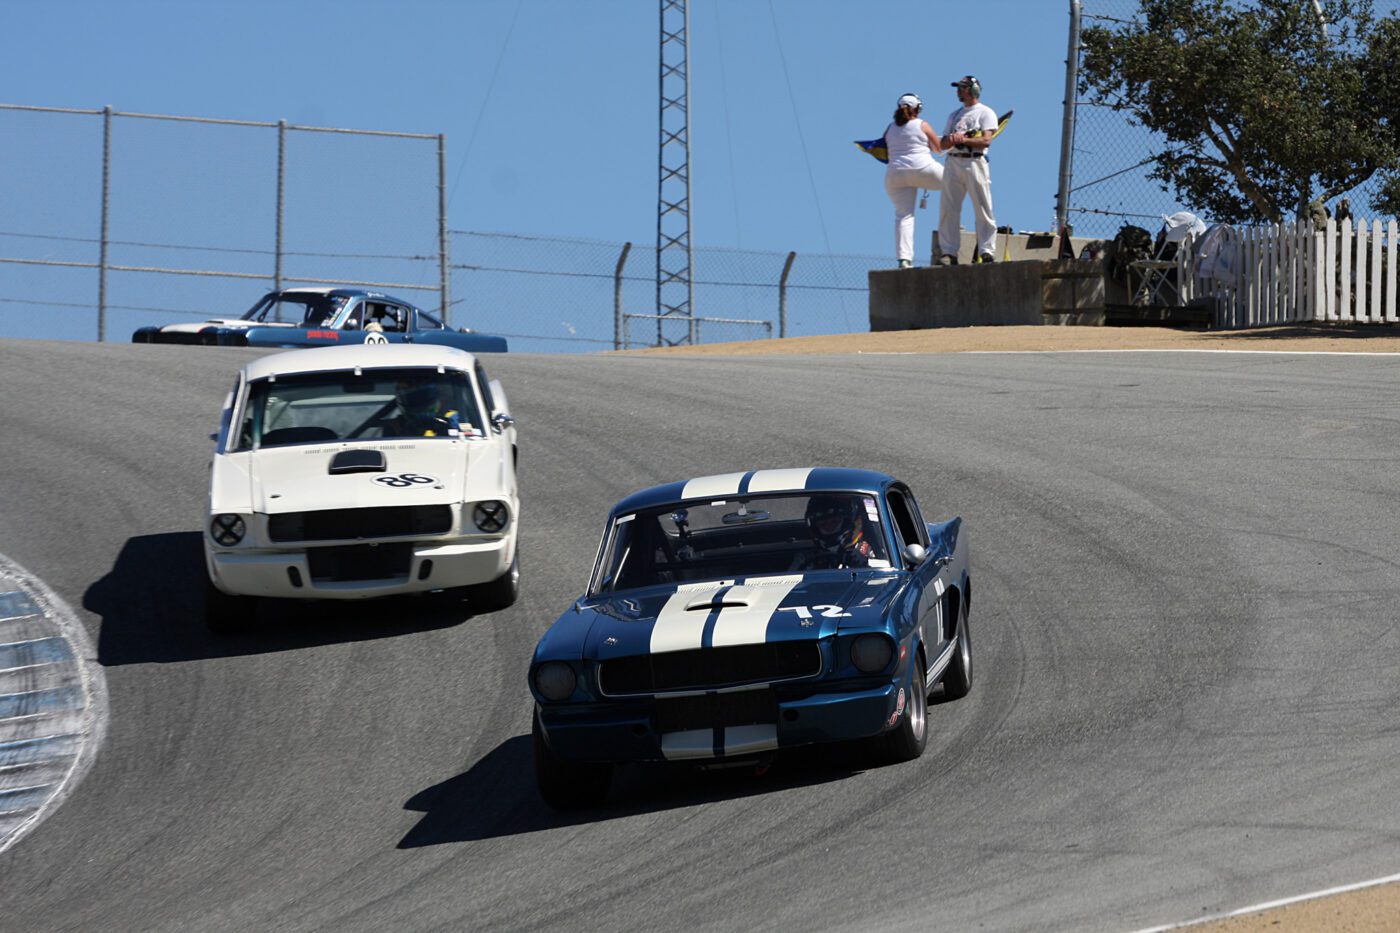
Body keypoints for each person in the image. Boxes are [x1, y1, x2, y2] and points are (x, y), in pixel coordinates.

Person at [938, 75, 999, 265]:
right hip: (953, 161)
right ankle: (949, 252)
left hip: (974, 161)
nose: (959, 91)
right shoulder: (954, 115)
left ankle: (987, 250)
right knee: (949, 208)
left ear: (973, 91)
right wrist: (953, 140)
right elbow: (942, 143)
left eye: (963, 88)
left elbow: (986, 140)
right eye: (959, 88)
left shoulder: (985, 112)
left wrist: (964, 139)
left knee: (982, 207)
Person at [881, 93, 944, 269]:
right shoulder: (922, 124)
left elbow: (885, 150)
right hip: (922, 169)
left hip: (894, 175)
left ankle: (904, 259)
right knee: (956, 181)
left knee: (904, 216)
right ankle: (949, 245)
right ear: (918, 108)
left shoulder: (890, 128)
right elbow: (938, 149)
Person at [796, 496, 878, 570]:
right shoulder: (804, 559)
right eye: (823, 524)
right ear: (814, 527)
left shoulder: (868, 551)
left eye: (834, 522)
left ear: (847, 522)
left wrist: (865, 564)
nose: (829, 527)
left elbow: (885, 576)